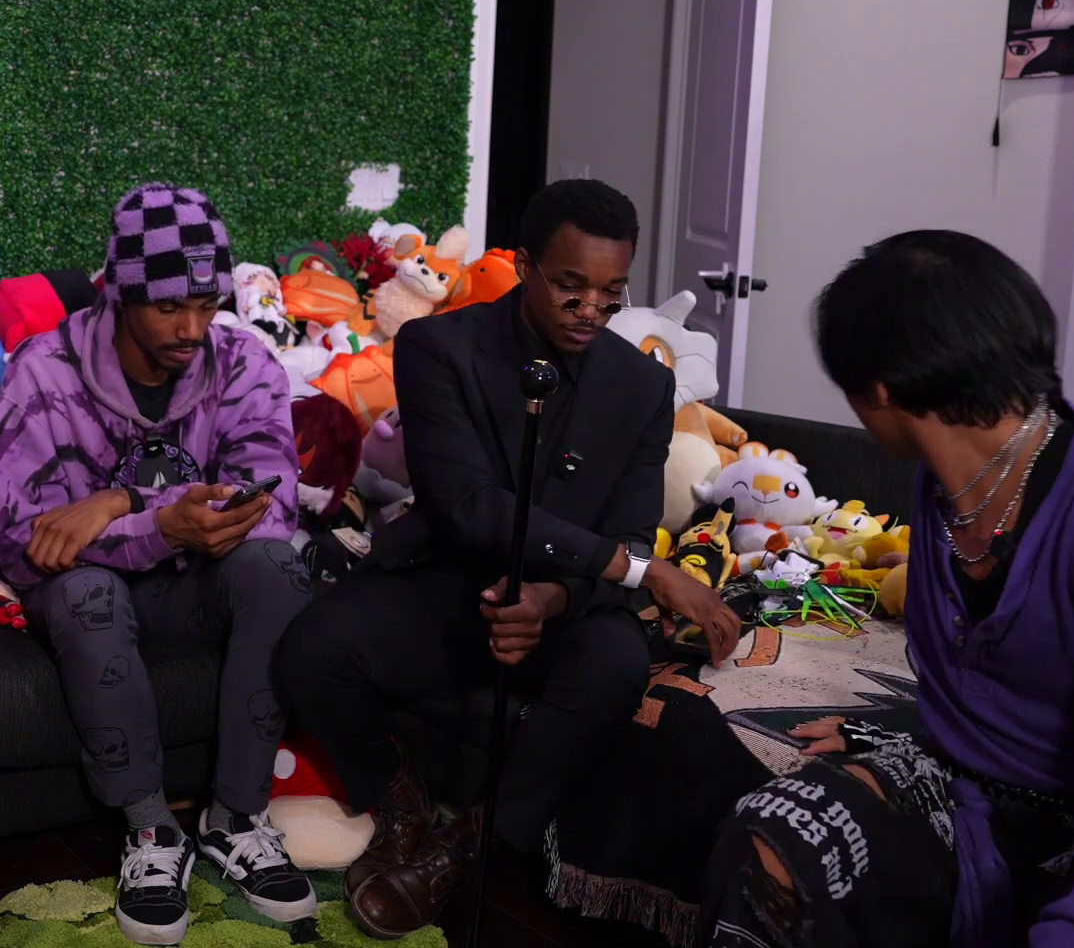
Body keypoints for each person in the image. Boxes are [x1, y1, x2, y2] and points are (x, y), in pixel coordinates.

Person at [275, 179, 743, 939]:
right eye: (570, 287)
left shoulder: (643, 385)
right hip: (450, 581)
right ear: (524, 266)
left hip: (570, 600)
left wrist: (553, 600)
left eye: (612, 293)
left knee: (616, 663)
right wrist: (646, 571)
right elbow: (467, 505)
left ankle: (468, 844)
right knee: (312, 647)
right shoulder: (437, 347)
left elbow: (631, 530)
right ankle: (401, 808)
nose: (590, 309)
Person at [698, 231, 1074, 947]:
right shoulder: (944, 486)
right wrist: (905, 733)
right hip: (972, 787)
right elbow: (991, 679)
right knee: (776, 840)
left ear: (875, 391)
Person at [0, 183, 315, 945]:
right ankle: (149, 831)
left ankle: (237, 818)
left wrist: (121, 501)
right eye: (169, 307)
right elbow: (27, 542)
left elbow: (266, 504)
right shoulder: (45, 370)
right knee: (87, 591)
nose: (192, 328)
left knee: (278, 566)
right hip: (90, 594)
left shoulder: (243, 360)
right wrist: (164, 527)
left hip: (193, 588)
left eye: (207, 304)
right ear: (118, 290)